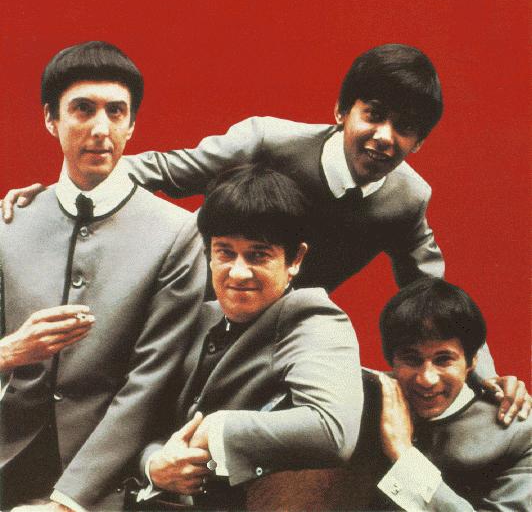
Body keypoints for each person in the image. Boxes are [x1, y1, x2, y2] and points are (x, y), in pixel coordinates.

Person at [4, 42, 528, 422]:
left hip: (275, 336)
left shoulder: (407, 197)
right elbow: (162, 169)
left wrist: (484, 373)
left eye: (406, 128)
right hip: (185, 308)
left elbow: (431, 293)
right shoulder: (267, 140)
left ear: (420, 142)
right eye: (373, 115)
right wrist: (59, 194)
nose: (384, 137)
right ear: (342, 111)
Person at [0, 41, 206, 511]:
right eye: (82, 109)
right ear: (50, 119)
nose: (100, 129)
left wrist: (66, 502)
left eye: (116, 112)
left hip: (109, 481)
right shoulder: (9, 223)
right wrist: (10, 350)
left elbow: (149, 383)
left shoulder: (177, 234)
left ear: (132, 125)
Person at [133, 164, 363, 509]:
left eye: (258, 255)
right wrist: (154, 464)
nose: (238, 273)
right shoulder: (196, 315)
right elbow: (141, 421)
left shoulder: (313, 318)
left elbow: (333, 430)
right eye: (225, 252)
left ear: (295, 260)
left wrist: (217, 428)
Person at [350, 277, 531, 511]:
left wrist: (404, 456)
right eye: (411, 359)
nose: (426, 379)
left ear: (472, 361)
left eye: (443, 359)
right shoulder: (360, 397)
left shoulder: (521, 434)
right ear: (391, 360)